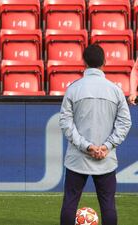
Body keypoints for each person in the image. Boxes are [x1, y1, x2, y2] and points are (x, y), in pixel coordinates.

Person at [59, 44, 132, 225]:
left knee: (70, 202)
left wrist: (86, 146)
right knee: (108, 205)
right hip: (105, 159)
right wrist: (106, 146)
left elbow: (65, 123)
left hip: (78, 158)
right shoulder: (115, 90)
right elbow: (125, 122)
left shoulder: (73, 89)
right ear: (104, 62)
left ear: (84, 62)